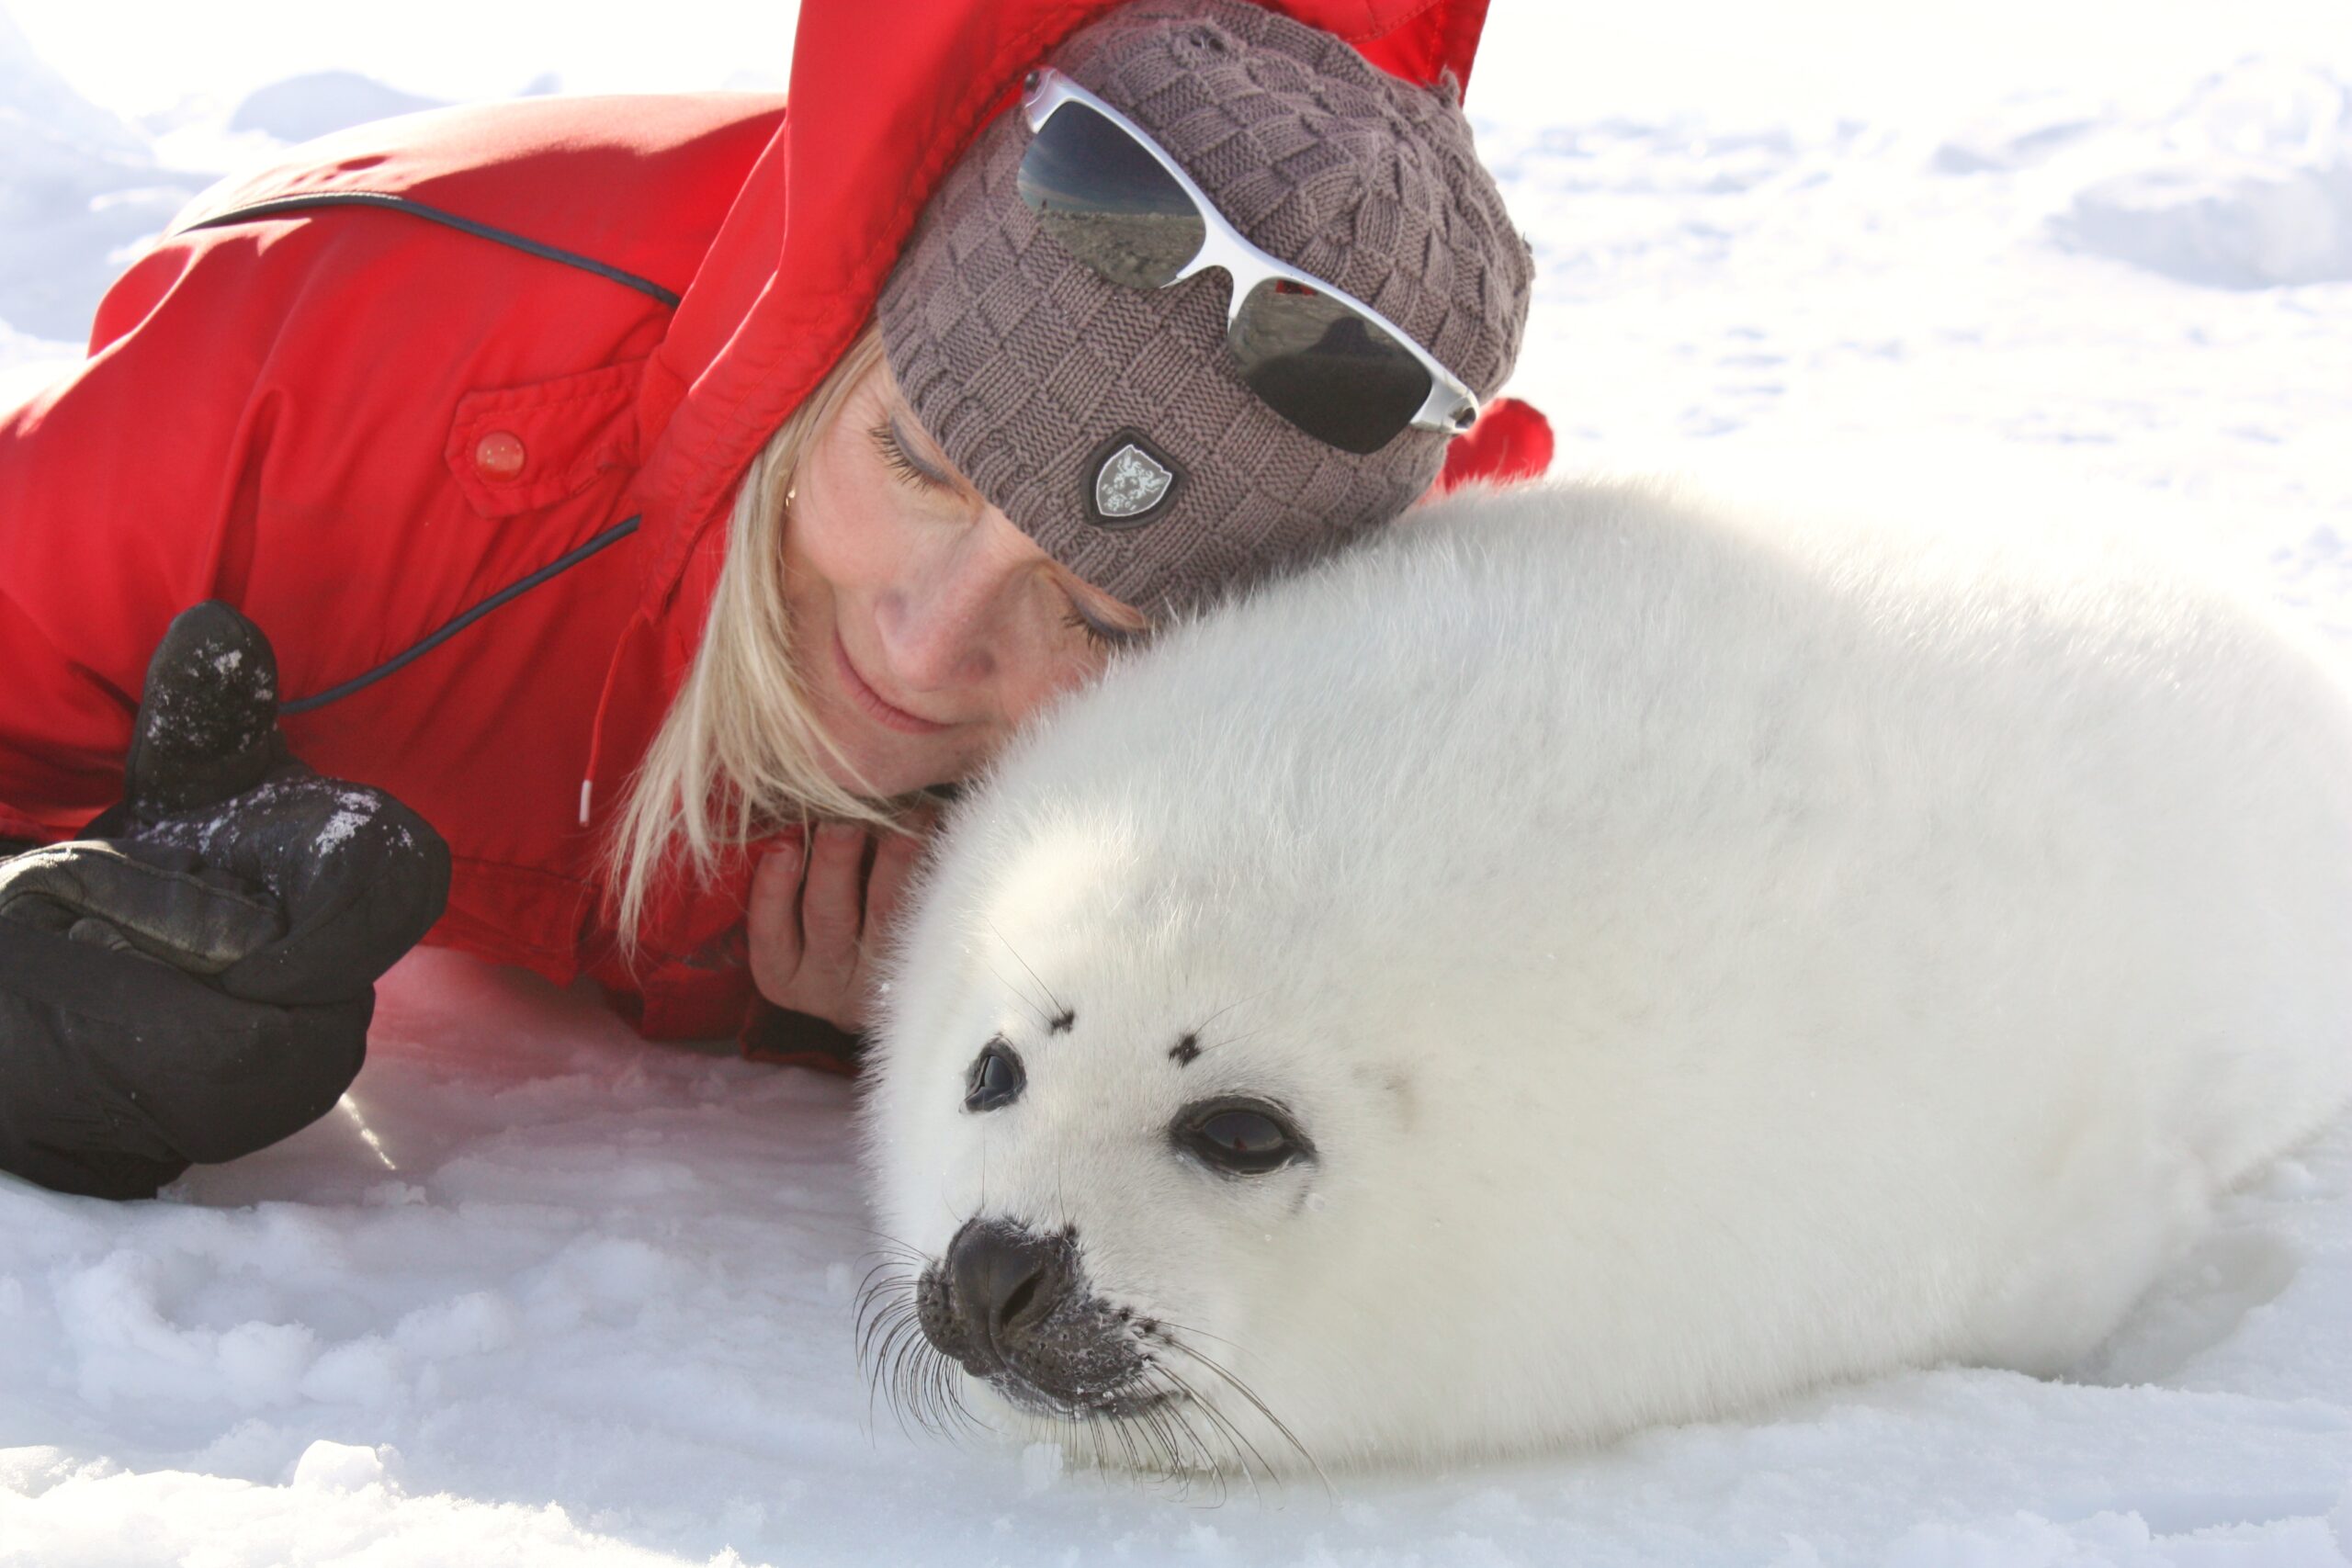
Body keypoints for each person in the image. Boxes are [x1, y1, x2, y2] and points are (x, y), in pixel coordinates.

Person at [0, 0, 1544, 1200]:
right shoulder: (305, 391)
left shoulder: (1340, 680)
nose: (926, 648)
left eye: (1103, 615)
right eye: (918, 460)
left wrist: (991, 1013)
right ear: (832, 356)